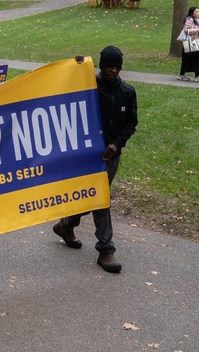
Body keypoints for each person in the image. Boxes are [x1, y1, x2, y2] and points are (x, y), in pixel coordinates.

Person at [54, 46, 138, 274]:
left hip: (110, 156)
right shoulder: (89, 86)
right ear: (101, 66)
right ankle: (105, 249)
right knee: (99, 197)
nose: (113, 70)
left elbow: (131, 122)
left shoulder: (127, 92)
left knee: (91, 195)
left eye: (116, 66)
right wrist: (77, 67)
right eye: (109, 66)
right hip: (87, 153)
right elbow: (66, 89)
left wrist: (116, 144)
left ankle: (66, 225)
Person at [178, 6, 199, 82]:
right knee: (195, 59)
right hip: (190, 43)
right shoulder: (190, 19)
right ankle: (197, 76)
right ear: (192, 13)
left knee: (188, 59)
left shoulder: (197, 20)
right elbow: (186, 30)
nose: (198, 13)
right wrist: (196, 30)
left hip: (194, 42)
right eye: (196, 12)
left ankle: (182, 74)